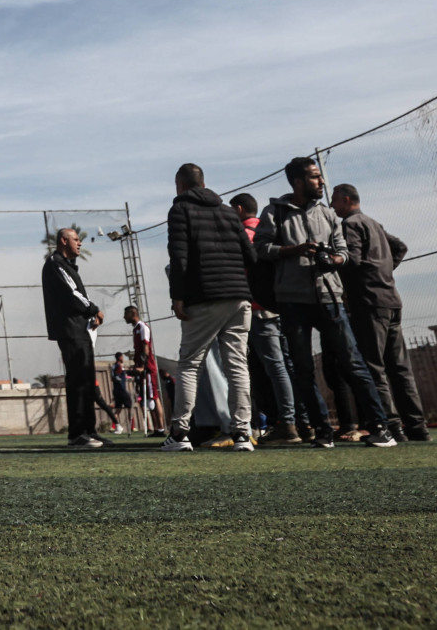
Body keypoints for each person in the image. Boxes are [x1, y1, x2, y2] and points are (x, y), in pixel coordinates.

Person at [254, 159, 396, 448]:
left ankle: (381, 427)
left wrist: (334, 259)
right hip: (292, 302)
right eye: (315, 177)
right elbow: (261, 248)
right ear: (297, 181)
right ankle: (322, 431)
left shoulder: (328, 214)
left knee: (353, 363)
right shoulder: (275, 212)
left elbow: (343, 250)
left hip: (330, 298)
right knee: (303, 370)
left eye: (320, 177)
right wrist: (294, 250)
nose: (321, 182)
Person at [163, 163, 256, 453]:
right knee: (237, 365)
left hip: (203, 297)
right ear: (203, 183)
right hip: (239, 297)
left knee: (190, 363)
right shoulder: (229, 211)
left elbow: (179, 257)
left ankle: (180, 434)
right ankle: (242, 434)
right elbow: (250, 255)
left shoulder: (180, 210)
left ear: (180, 185)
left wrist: (177, 296)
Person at [330, 184, 429, 442]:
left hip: (369, 302)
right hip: (391, 299)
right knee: (400, 369)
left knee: (374, 367)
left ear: (346, 200)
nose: (332, 205)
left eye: (335, 200)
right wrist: (384, 271)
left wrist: (343, 276)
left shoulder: (350, 225)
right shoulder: (374, 223)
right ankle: (417, 427)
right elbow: (400, 247)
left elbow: (352, 258)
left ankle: (391, 426)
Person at [230, 193, 300, 445]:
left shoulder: (246, 237)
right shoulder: (270, 230)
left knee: (274, 365)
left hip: (259, 307)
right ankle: (299, 419)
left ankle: (287, 422)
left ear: (239, 209)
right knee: (287, 364)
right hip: (282, 303)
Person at [42, 227, 106, 449]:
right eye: (76, 239)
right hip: (69, 330)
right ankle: (77, 434)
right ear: (63, 241)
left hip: (80, 329)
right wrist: (94, 309)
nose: (80, 243)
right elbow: (72, 294)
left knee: (87, 381)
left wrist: (90, 316)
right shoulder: (55, 264)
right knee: (77, 380)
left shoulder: (67, 266)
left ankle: (89, 431)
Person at [123, 304, 163, 433]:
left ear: (132, 314)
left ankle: (161, 428)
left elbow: (146, 348)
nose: (124, 317)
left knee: (153, 397)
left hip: (148, 368)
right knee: (148, 397)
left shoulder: (142, 327)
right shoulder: (135, 329)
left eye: (126, 314)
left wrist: (143, 366)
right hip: (142, 368)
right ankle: (156, 428)